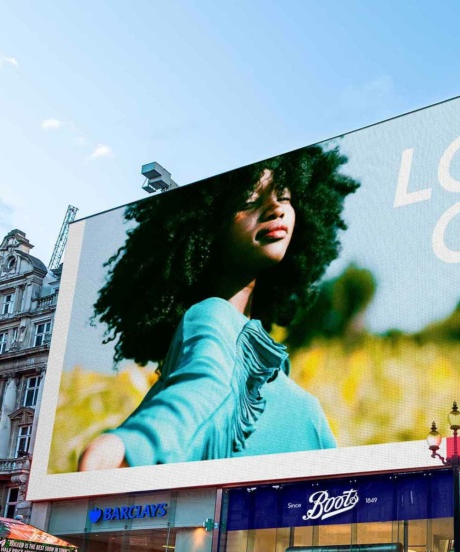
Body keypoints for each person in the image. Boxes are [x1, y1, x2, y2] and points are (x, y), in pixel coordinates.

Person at [78, 148, 358, 472]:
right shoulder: (212, 318)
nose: (275, 209)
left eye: (284, 196)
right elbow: (203, 388)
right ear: (205, 224)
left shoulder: (301, 407)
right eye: (250, 200)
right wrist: (136, 444)